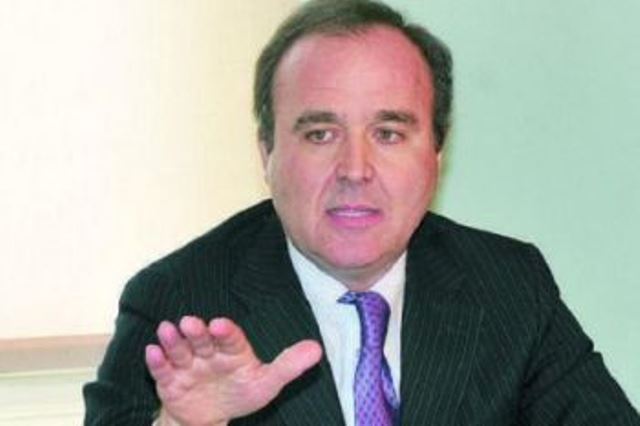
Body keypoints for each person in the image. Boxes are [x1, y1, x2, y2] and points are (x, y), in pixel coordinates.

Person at [83, 0, 639, 425]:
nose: (355, 168)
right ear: (266, 153)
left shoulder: (508, 284)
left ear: (436, 155)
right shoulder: (179, 306)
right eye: (320, 134)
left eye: (389, 133)